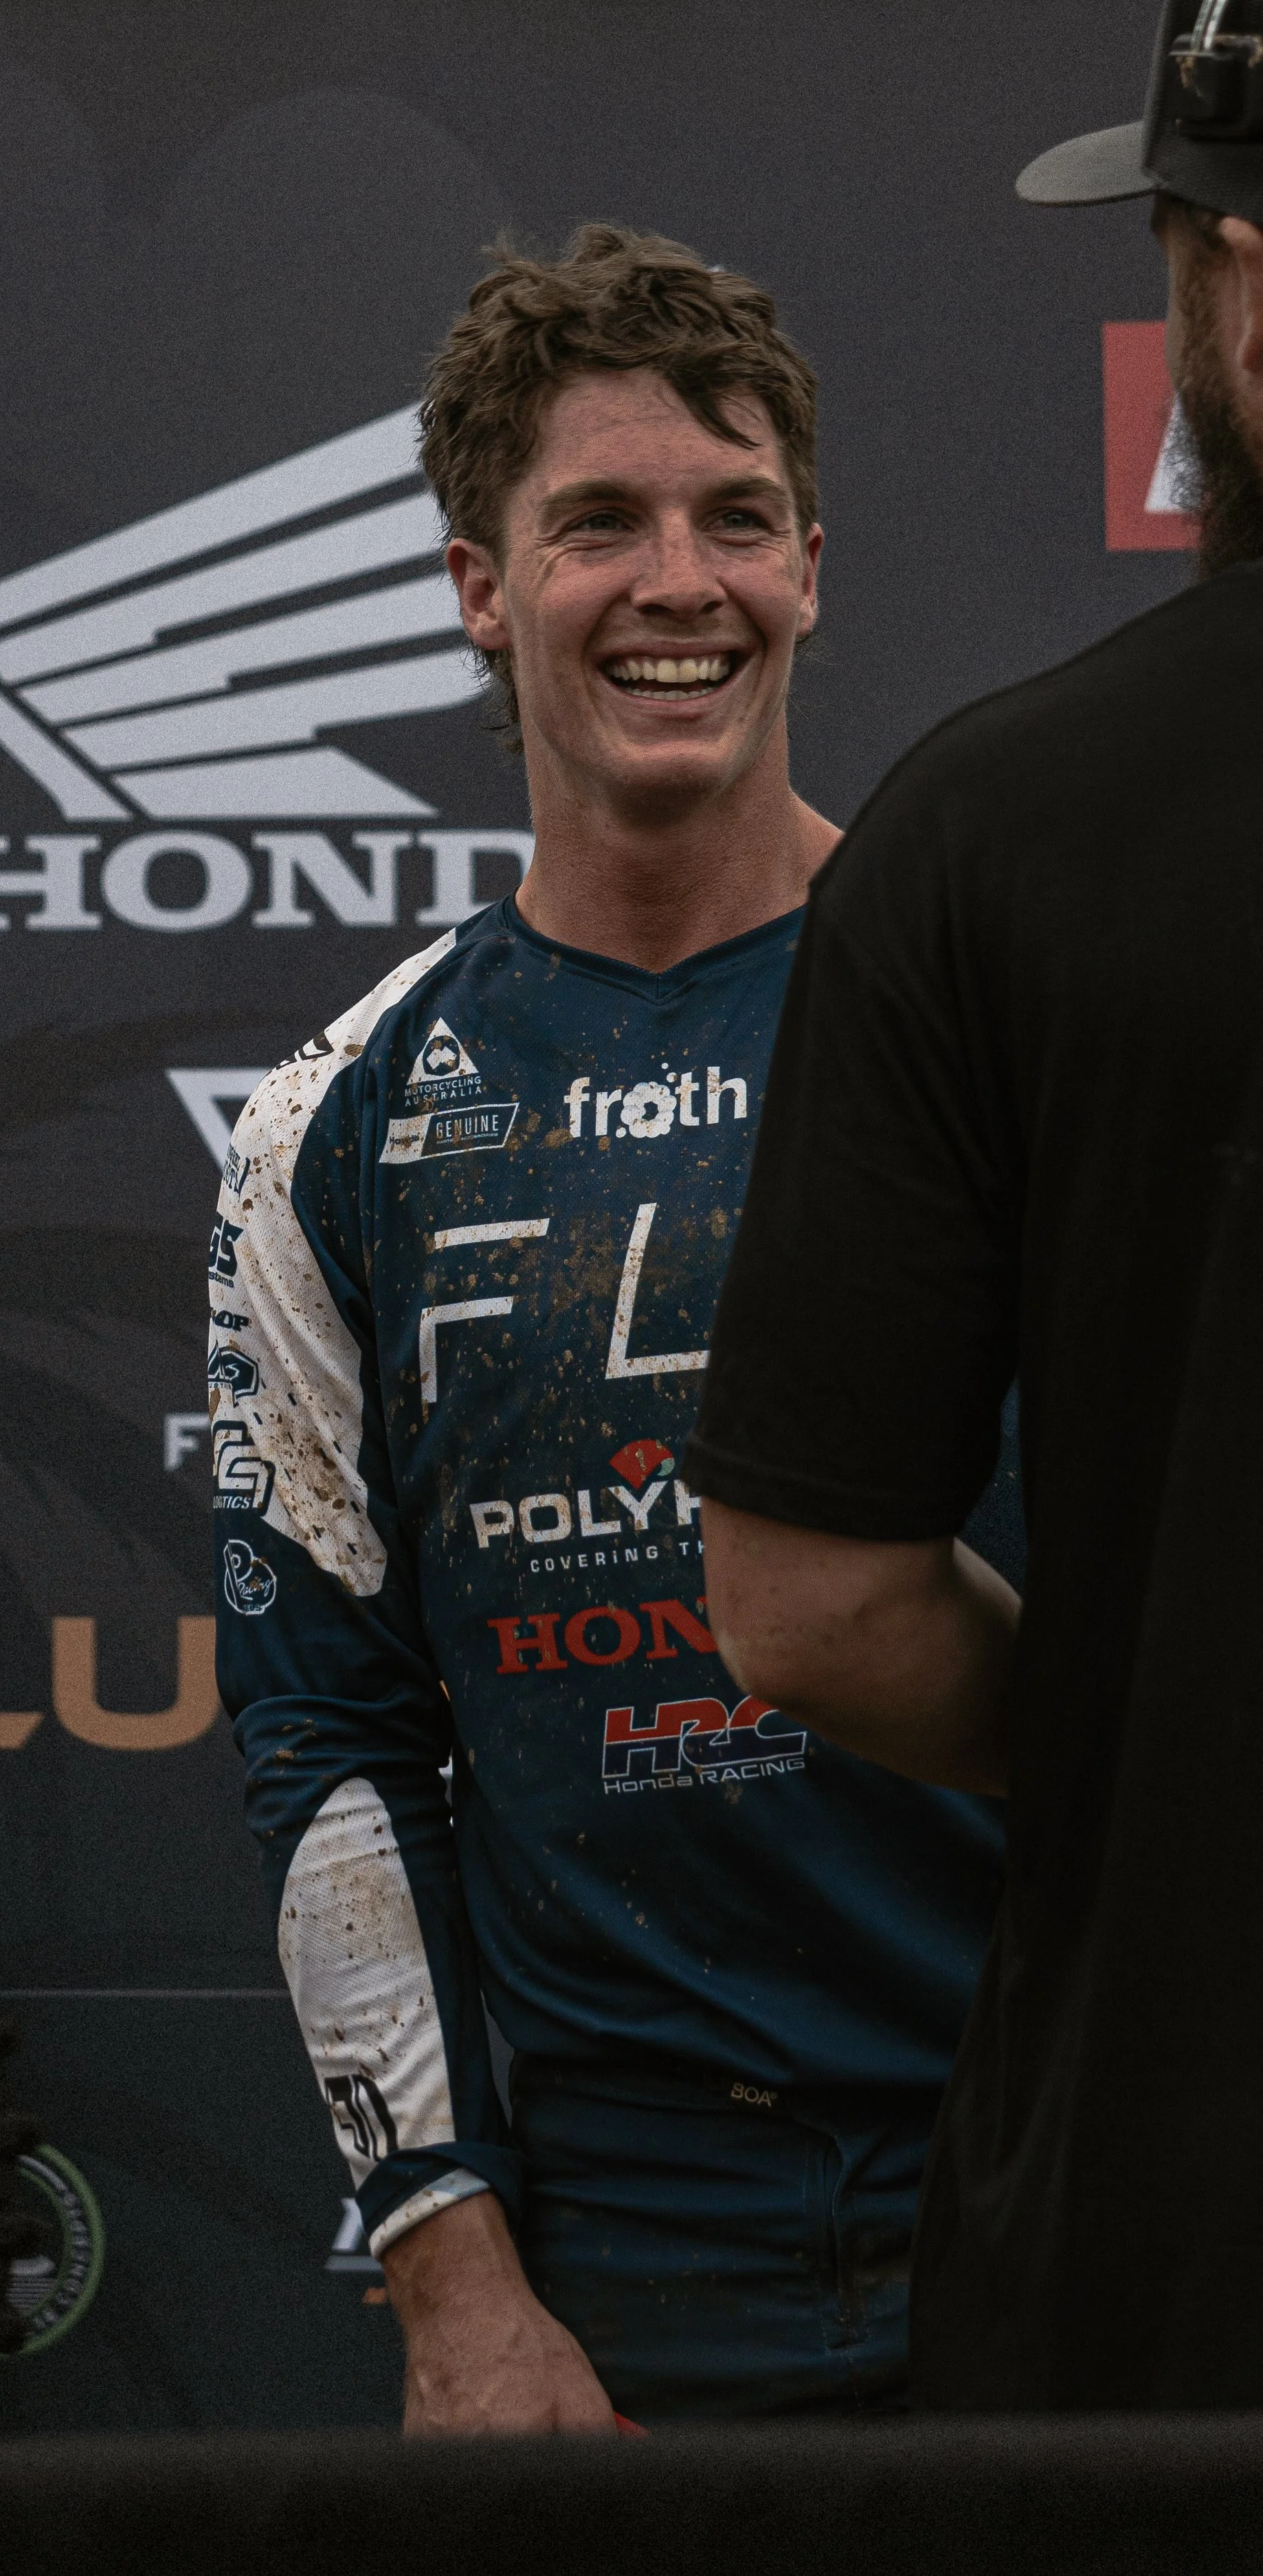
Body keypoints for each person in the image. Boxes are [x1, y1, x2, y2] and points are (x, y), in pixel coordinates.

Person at [208, 225, 1013, 2432]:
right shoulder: (329, 1122)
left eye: (734, 519)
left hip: (1057, 2161)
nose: (680, 582)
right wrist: (454, 2281)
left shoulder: (1010, 1010)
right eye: (598, 525)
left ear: (814, 567)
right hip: (623, 2253)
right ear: (479, 585)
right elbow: (326, 1742)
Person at [690, 0, 1263, 2412]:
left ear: (1231, 288)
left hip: (1184, 2234)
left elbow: (806, 1601)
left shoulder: (989, 835)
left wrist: (1152, 1744)